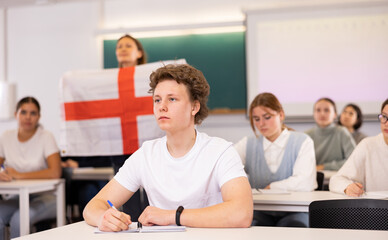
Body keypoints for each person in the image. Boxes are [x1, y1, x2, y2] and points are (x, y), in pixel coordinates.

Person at [83, 64, 253, 230]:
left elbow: (242, 213)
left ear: (194, 107)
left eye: (172, 99)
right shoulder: (146, 155)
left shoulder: (220, 151)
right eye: (157, 100)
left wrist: (172, 216)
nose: (161, 106)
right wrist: (103, 218)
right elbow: (94, 206)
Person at [61, 34, 149, 221]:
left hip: (148, 146)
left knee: (153, 196)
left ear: (139, 52)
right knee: (129, 201)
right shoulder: (107, 82)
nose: (123, 49)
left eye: (128, 45)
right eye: (119, 47)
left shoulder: (150, 78)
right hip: (120, 148)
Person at [234, 92, 316, 227]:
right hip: (260, 211)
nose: (261, 124)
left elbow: (305, 182)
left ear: (281, 115)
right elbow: (226, 164)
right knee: (250, 227)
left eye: (267, 117)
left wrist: (272, 187)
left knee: (294, 227)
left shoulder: (302, 141)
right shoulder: (247, 144)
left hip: (294, 212)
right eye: (256, 119)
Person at [0, 97, 62, 239]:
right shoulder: (6, 137)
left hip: (47, 196)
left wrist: (18, 175)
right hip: (17, 196)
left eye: (33, 113)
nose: (28, 117)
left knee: (18, 220)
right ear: (16, 114)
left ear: (39, 117)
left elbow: (55, 172)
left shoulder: (46, 136)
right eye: (23, 112)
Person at [329, 99, 388, 197]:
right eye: (384, 116)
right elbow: (336, 180)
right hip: (376, 210)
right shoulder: (368, 145)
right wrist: (348, 186)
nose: (386, 123)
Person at [306, 97, 356, 171]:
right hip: (313, 179)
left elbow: (354, 161)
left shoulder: (342, 132)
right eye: (318, 110)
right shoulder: (307, 135)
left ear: (335, 114)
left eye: (327, 110)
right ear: (314, 114)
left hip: (338, 177)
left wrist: (323, 167)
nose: (322, 114)